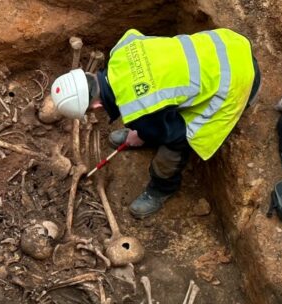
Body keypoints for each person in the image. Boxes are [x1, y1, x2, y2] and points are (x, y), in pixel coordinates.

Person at [51, 28, 261, 217]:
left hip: (238, 81)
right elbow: (149, 70)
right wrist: (143, 129)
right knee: (157, 115)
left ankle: (162, 189)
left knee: (178, 142)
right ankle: (149, 131)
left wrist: (147, 132)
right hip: (228, 44)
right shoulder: (121, 49)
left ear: (96, 106)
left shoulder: (138, 110)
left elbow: (176, 135)